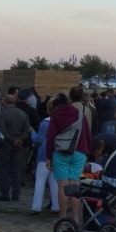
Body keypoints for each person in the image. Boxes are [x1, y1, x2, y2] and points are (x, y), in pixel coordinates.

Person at [46, 92, 92, 223]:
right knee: (75, 186)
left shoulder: (56, 115)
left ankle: (63, 217)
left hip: (61, 153)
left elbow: (50, 137)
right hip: (79, 152)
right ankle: (76, 218)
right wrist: (87, 152)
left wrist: (48, 156)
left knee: (62, 186)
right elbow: (87, 134)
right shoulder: (80, 114)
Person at [0, 94, 31, 202]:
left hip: (5, 144)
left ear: (5, 102)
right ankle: (16, 194)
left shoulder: (2, 114)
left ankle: (5, 193)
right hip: (18, 145)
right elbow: (27, 131)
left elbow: (2, 131)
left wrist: (12, 139)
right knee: (17, 170)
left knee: (4, 170)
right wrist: (19, 139)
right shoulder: (23, 114)